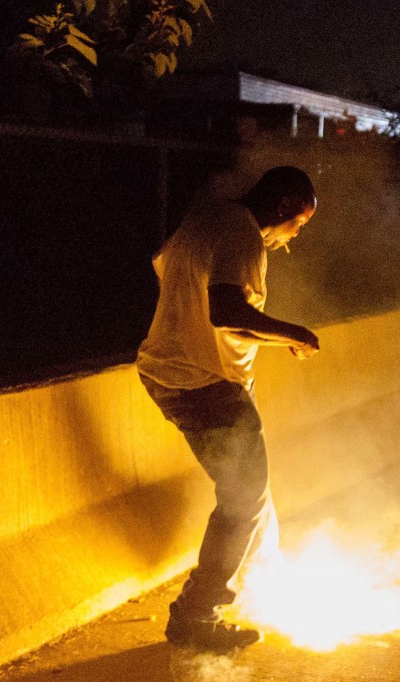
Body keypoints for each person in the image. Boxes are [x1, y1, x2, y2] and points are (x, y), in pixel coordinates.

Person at [136, 166, 321, 652]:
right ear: (282, 206)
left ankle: (259, 578)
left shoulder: (205, 220)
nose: (295, 236)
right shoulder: (243, 235)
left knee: (252, 492)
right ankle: (197, 617)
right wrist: (294, 333)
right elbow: (226, 311)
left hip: (178, 372)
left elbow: (195, 295)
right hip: (204, 384)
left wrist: (268, 341)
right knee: (244, 498)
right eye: (298, 223)